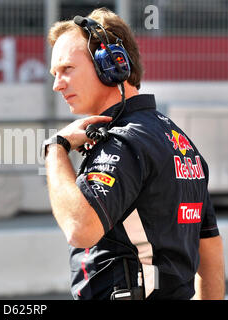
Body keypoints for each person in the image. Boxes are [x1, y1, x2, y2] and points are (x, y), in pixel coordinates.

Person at [42, 7, 225, 300]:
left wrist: (56, 149)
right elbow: (211, 252)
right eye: (55, 73)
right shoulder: (180, 141)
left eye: (67, 69)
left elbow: (80, 228)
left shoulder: (122, 142)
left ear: (112, 64)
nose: (57, 84)